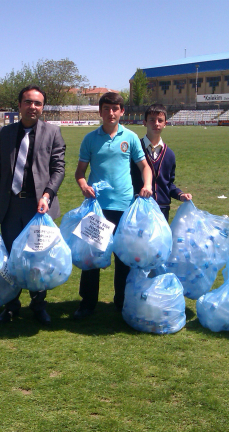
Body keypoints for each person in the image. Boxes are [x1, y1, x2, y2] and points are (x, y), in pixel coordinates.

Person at [0, 85, 66, 325]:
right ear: (19, 105)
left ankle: (39, 305)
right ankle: (11, 306)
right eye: (28, 102)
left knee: (38, 259)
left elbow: (58, 169)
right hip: (10, 208)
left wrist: (47, 195)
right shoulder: (5, 133)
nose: (33, 107)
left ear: (43, 107)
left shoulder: (53, 132)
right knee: (11, 258)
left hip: (39, 208)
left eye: (38, 103)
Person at [73, 92, 154, 319]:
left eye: (115, 108)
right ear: (100, 111)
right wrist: (83, 186)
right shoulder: (90, 139)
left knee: (124, 259)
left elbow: (145, 167)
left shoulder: (130, 137)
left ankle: (122, 302)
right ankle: (87, 304)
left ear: (122, 111)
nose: (111, 112)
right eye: (106, 108)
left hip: (125, 207)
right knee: (91, 258)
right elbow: (80, 172)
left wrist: (147, 184)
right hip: (96, 208)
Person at [131, 103, 192, 222]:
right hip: (138, 206)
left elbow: (168, 184)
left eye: (160, 120)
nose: (156, 123)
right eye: (152, 120)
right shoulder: (135, 149)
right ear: (145, 122)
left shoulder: (169, 154)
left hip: (162, 209)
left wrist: (180, 195)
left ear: (165, 124)